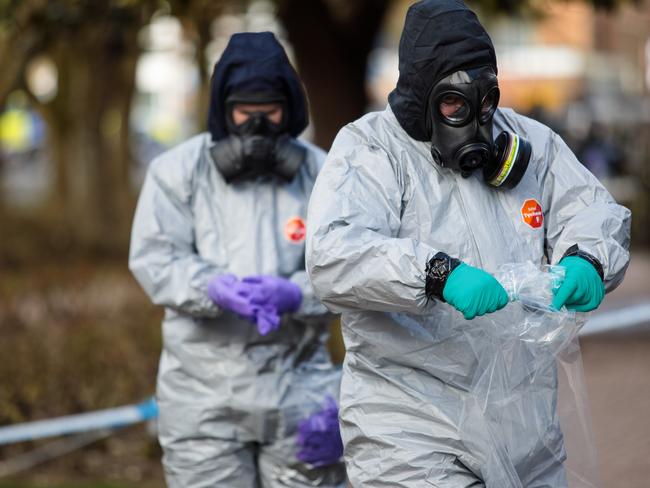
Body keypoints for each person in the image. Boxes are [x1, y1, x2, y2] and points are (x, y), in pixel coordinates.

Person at [305, 1, 631, 486]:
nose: (476, 121)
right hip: (409, 427)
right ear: (421, 97)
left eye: (484, 101)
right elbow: (333, 255)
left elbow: (593, 211)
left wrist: (587, 258)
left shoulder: (530, 142)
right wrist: (436, 274)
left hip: (524, 424)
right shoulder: (371, 149)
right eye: (454, 103)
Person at [129, 32, 345, 488]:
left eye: (271, 112)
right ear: (223, 110)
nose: (258, 126)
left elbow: (353, 269)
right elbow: (154, 258)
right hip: (202, 400)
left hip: (300, 393)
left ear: (291, 108)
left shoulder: (325, 173)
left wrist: (297, 293)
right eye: (246, 112)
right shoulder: (177, 172)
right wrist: (209, 287)